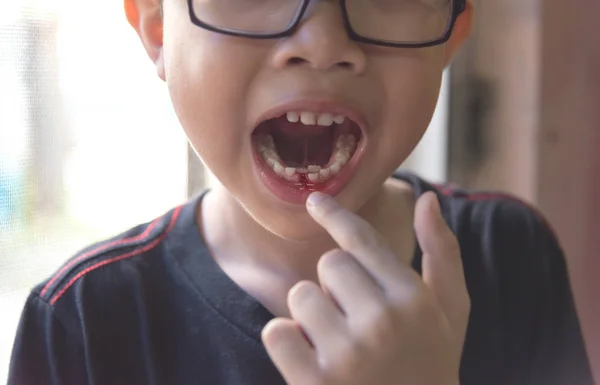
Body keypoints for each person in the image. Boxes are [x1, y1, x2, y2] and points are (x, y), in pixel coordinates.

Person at [7, 0, 594, 384]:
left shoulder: (512, 257)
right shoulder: (82, 321)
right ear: (158, 26)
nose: (321, 43)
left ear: (450, 36)